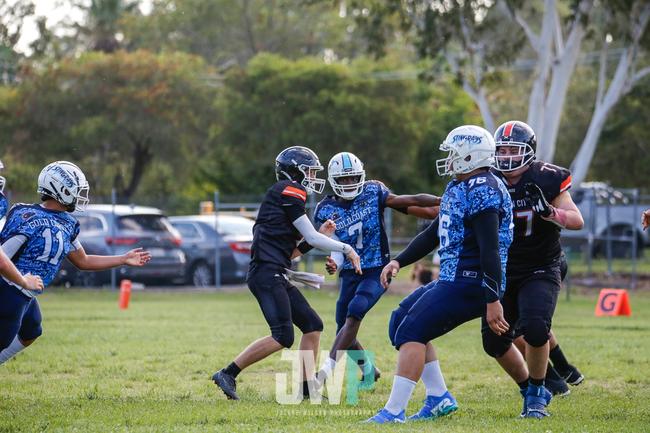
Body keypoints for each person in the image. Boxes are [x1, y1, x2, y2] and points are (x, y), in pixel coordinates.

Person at [366, 125, 515, 423]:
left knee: (412, 332)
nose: (448, 159)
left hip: (471, 280)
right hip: (452, 277)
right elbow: (434, 234)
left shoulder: (485, 188)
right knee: (400, 322)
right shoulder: (459, 186)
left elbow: (490, 251)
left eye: (453, 153)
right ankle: (438, 397)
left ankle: (394, 412)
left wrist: (492, 298)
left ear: (470, 156)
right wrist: (399, 261)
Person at [212, 146, 362, 401]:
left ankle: (306, 389)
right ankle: (228, 373)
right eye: (310, 171)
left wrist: (319, 237)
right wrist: (346, 249)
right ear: (296, 171)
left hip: (276, 271)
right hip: (267, 273)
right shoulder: (290, 189)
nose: (314, 177)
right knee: (282, 336)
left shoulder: (284, 196)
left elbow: (292, 253)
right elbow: (310, 236)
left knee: (313, 325)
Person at [0, 161, 151, 365]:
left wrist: (123, 259)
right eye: (76, 189)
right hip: (9, 289)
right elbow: (3, 255)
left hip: (27, 293)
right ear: (60, 188)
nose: (80, 195)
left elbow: (83, 260)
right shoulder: (25, 215)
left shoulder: (67, 222)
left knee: (32, 331)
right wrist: (22, 281)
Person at [313, 152, 440, 388]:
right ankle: (369, 371)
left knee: (356, 310)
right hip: (351, 272)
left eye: (353, 178)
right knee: (344, 323)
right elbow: (336, 246)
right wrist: (334, 262)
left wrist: (442, 200)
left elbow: (406, 200)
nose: (350, 183)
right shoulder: (325, 208)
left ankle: (326, 371)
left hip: (377, 269)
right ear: (333, 180)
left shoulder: (372, 192)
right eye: (344, 179)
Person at [489, 120, 585, 417]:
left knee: (535, 326)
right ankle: (549, 380)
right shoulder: (487, 178)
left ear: (528, 152)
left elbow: (576, 221)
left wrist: (549, 211)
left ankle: (536, 393)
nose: (505, 156)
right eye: (501, 150)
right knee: (494, 341)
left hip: (541, 265)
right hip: (503, 269)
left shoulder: (546, 177)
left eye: (512, 150)